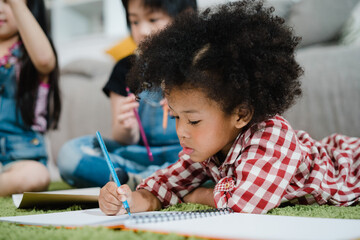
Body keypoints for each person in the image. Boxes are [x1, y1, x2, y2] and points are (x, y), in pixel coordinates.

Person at [98, 0, 360, 215]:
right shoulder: (206, 146)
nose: (181, 131)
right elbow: (162, 186)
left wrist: (197, 195)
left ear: (240, 114)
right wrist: (128, 199)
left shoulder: (271, 135)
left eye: (193, 121)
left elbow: (244, 203)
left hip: (350, 169)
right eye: (176, 117)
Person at [57, 0, 198, 189]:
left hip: (189, 154)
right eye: (135, 22)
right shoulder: (125, 69)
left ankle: (143, 181)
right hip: (138, 157)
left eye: (153, 19)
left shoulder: (201, 65)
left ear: (183, 18)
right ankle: (154, 181)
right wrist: (127, 128)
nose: (143, 31)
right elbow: (122, 137)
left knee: (213, 154)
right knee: (70, 154)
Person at [0, 0, 61, 196]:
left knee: (36, 176)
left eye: (7, 1)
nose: (0, 8)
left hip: (21, 157)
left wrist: (17, 6)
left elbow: (45, 61)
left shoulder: (33, 51)